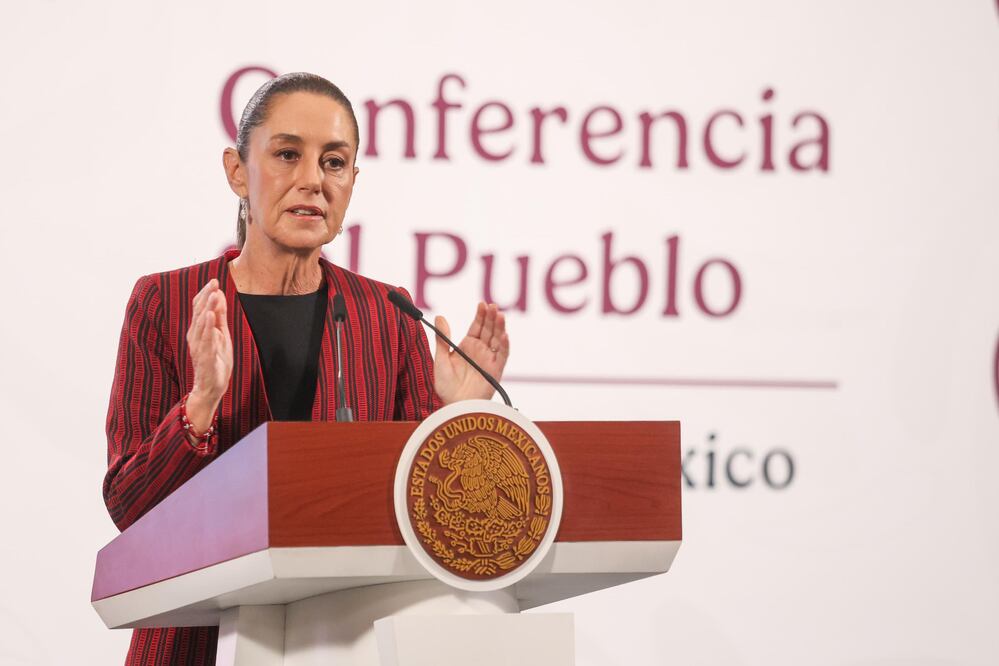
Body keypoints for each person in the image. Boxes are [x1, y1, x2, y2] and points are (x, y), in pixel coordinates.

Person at [103, 72, 510, 666]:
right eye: (287, 154)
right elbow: (127, 506)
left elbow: (424, 518)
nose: (313, 180)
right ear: (237, 171)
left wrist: (453, 423)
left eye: (335, 162)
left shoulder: (386, 313)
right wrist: (199, 407)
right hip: (197, 642)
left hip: (344, 641)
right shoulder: (165, 301)